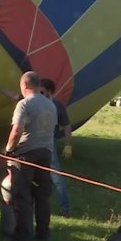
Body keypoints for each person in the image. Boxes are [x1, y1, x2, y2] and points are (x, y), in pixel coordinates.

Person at [4, 71, 57, 241]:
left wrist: (9, 149)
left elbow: (17, 130)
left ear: (25, 85)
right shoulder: (50, 105)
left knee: (22, 195)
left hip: (26, 154)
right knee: (42, 195)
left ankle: (23, 236)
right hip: (46, 153)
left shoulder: (24, 104)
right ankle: (43, 233)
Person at [40, 78, 72, 217]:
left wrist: (68, 144)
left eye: (42, 91)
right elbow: (17, 96)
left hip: (48, 143)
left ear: (49, 91)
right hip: (33, 141)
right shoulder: (36, 101)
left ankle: (65, 207)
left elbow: (66, 125)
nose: (39, 93)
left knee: (56, 177)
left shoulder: (58, 106)